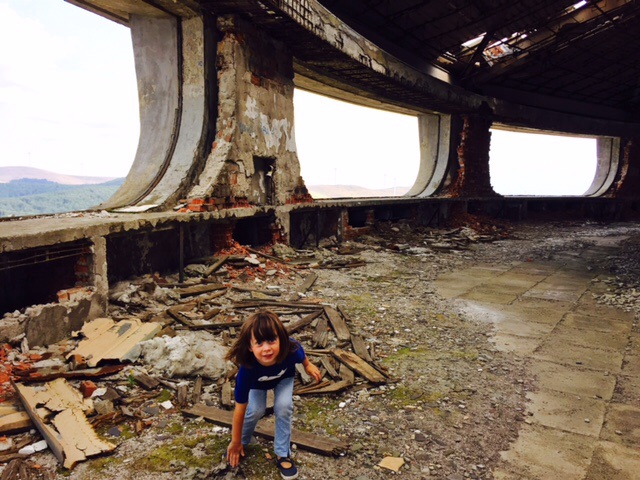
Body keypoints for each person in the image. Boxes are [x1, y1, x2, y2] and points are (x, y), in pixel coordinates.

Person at [225, 309, 322, 479]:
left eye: (271, 340)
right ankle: (241, 442)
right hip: (258, 384)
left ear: (281, 339)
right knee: (255, 410)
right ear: (250, 346)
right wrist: (235, 441)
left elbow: (301, 354)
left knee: (283, 407)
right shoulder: (247, 369)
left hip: (283, 378)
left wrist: (307, 366)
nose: (267, 349)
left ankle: (282, 453)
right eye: (260, 343)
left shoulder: (290, 349)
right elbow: (240, 409)